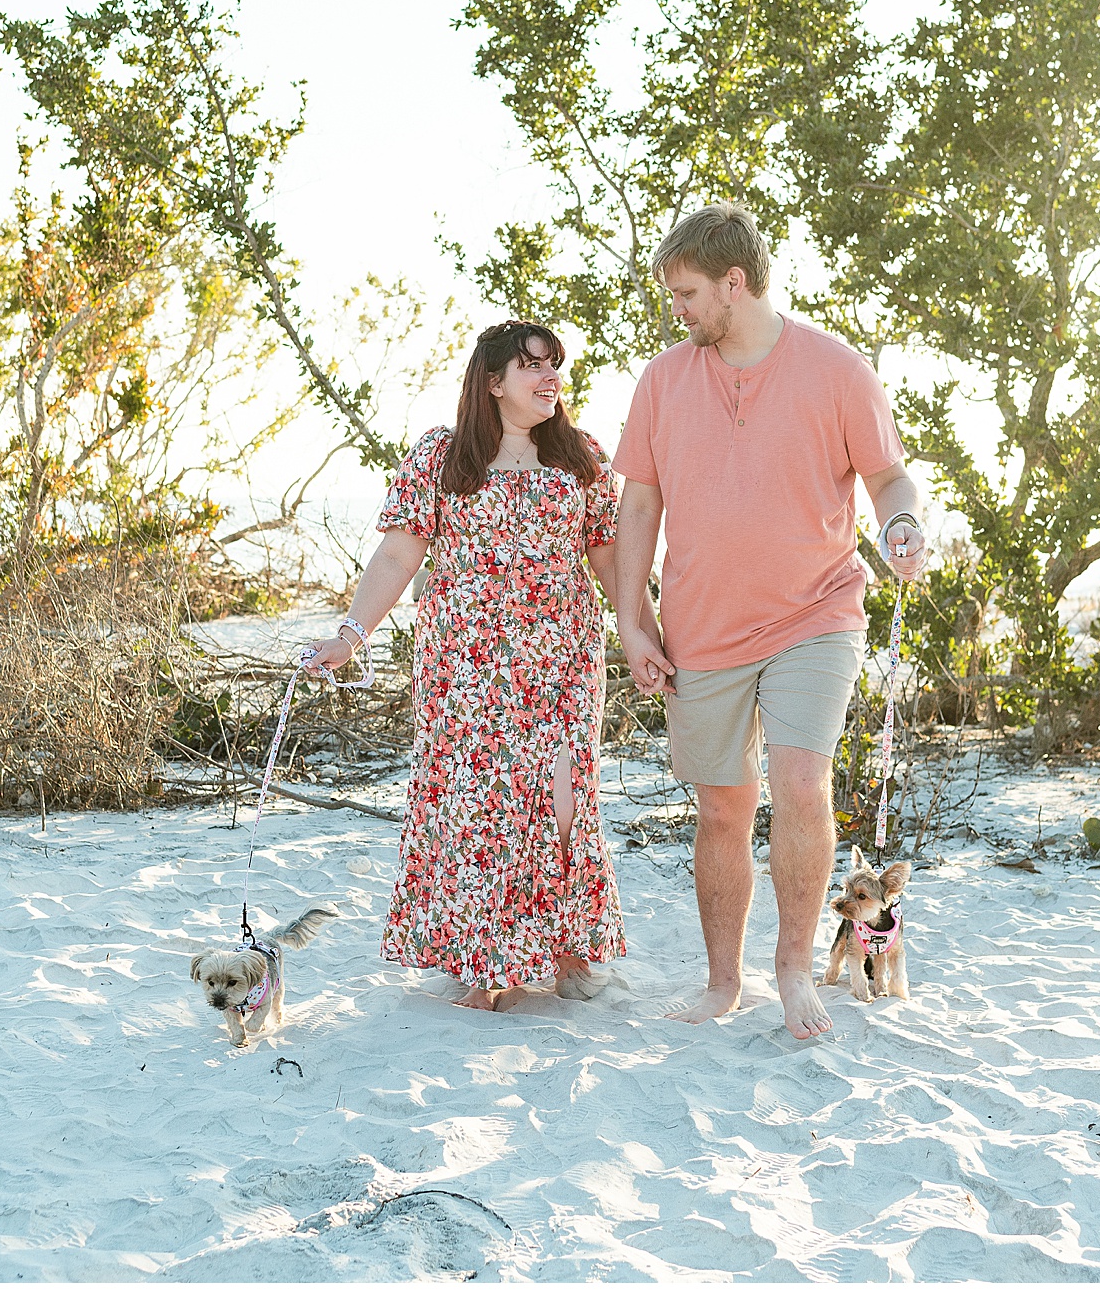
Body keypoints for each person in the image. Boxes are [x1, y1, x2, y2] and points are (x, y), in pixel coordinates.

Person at [613, 203, 929, 1041]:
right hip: (701, 626)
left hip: (815, 612)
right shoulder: (662, 380)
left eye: (685, 293)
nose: (675, 309)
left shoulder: (836, 368)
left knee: (799, 782)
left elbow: (889, 478)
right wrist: (634, 619)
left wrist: (902, 523)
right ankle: (725, 982)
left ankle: (794, 969)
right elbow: (638, 505)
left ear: (734, 282)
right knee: (722, 806)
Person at [303, 321, 630, 1010]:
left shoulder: (583, 458)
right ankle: (487, 964)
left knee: (565, 798)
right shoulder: (441, 457)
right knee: (478, 808)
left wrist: (649, 638)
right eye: (533, 367)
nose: (551, 380)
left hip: (563, 659)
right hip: (467, 667)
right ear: (492, 382)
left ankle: (566, 943)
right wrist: (351, 635)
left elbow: (611, 562)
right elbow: (398, 556)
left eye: (555, 367)